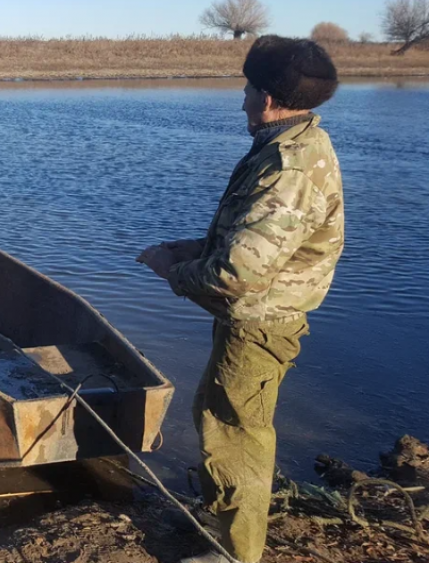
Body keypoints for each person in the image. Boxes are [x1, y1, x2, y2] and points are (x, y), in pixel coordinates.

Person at [137, 35, 344, 563]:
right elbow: (255, 241)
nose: (243, 100)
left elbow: (238, 273)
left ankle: (234, 553)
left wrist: (171, 271)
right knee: (215, 413)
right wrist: (194, 248)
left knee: (236, 434)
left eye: (248, 90)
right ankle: (220, 519)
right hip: (255, 317)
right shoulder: (292, 142)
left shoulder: (288, 168)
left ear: (268, 99)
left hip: (261, 323)